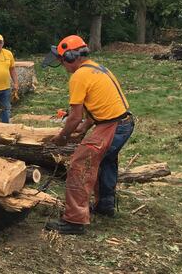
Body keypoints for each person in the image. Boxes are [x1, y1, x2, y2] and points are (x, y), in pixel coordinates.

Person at [42, 35, 134, 235]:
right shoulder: (97, 68)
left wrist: (62, 137)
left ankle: (74, 221)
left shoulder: (79, 76)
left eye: (62, 59)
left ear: (71, 56)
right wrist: (85, 126)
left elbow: (74, 117)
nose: (62, 64)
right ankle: (105, 205)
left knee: (80, 164)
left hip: (112, 125)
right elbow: (99, 104)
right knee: (105, 160)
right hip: (123, 122)